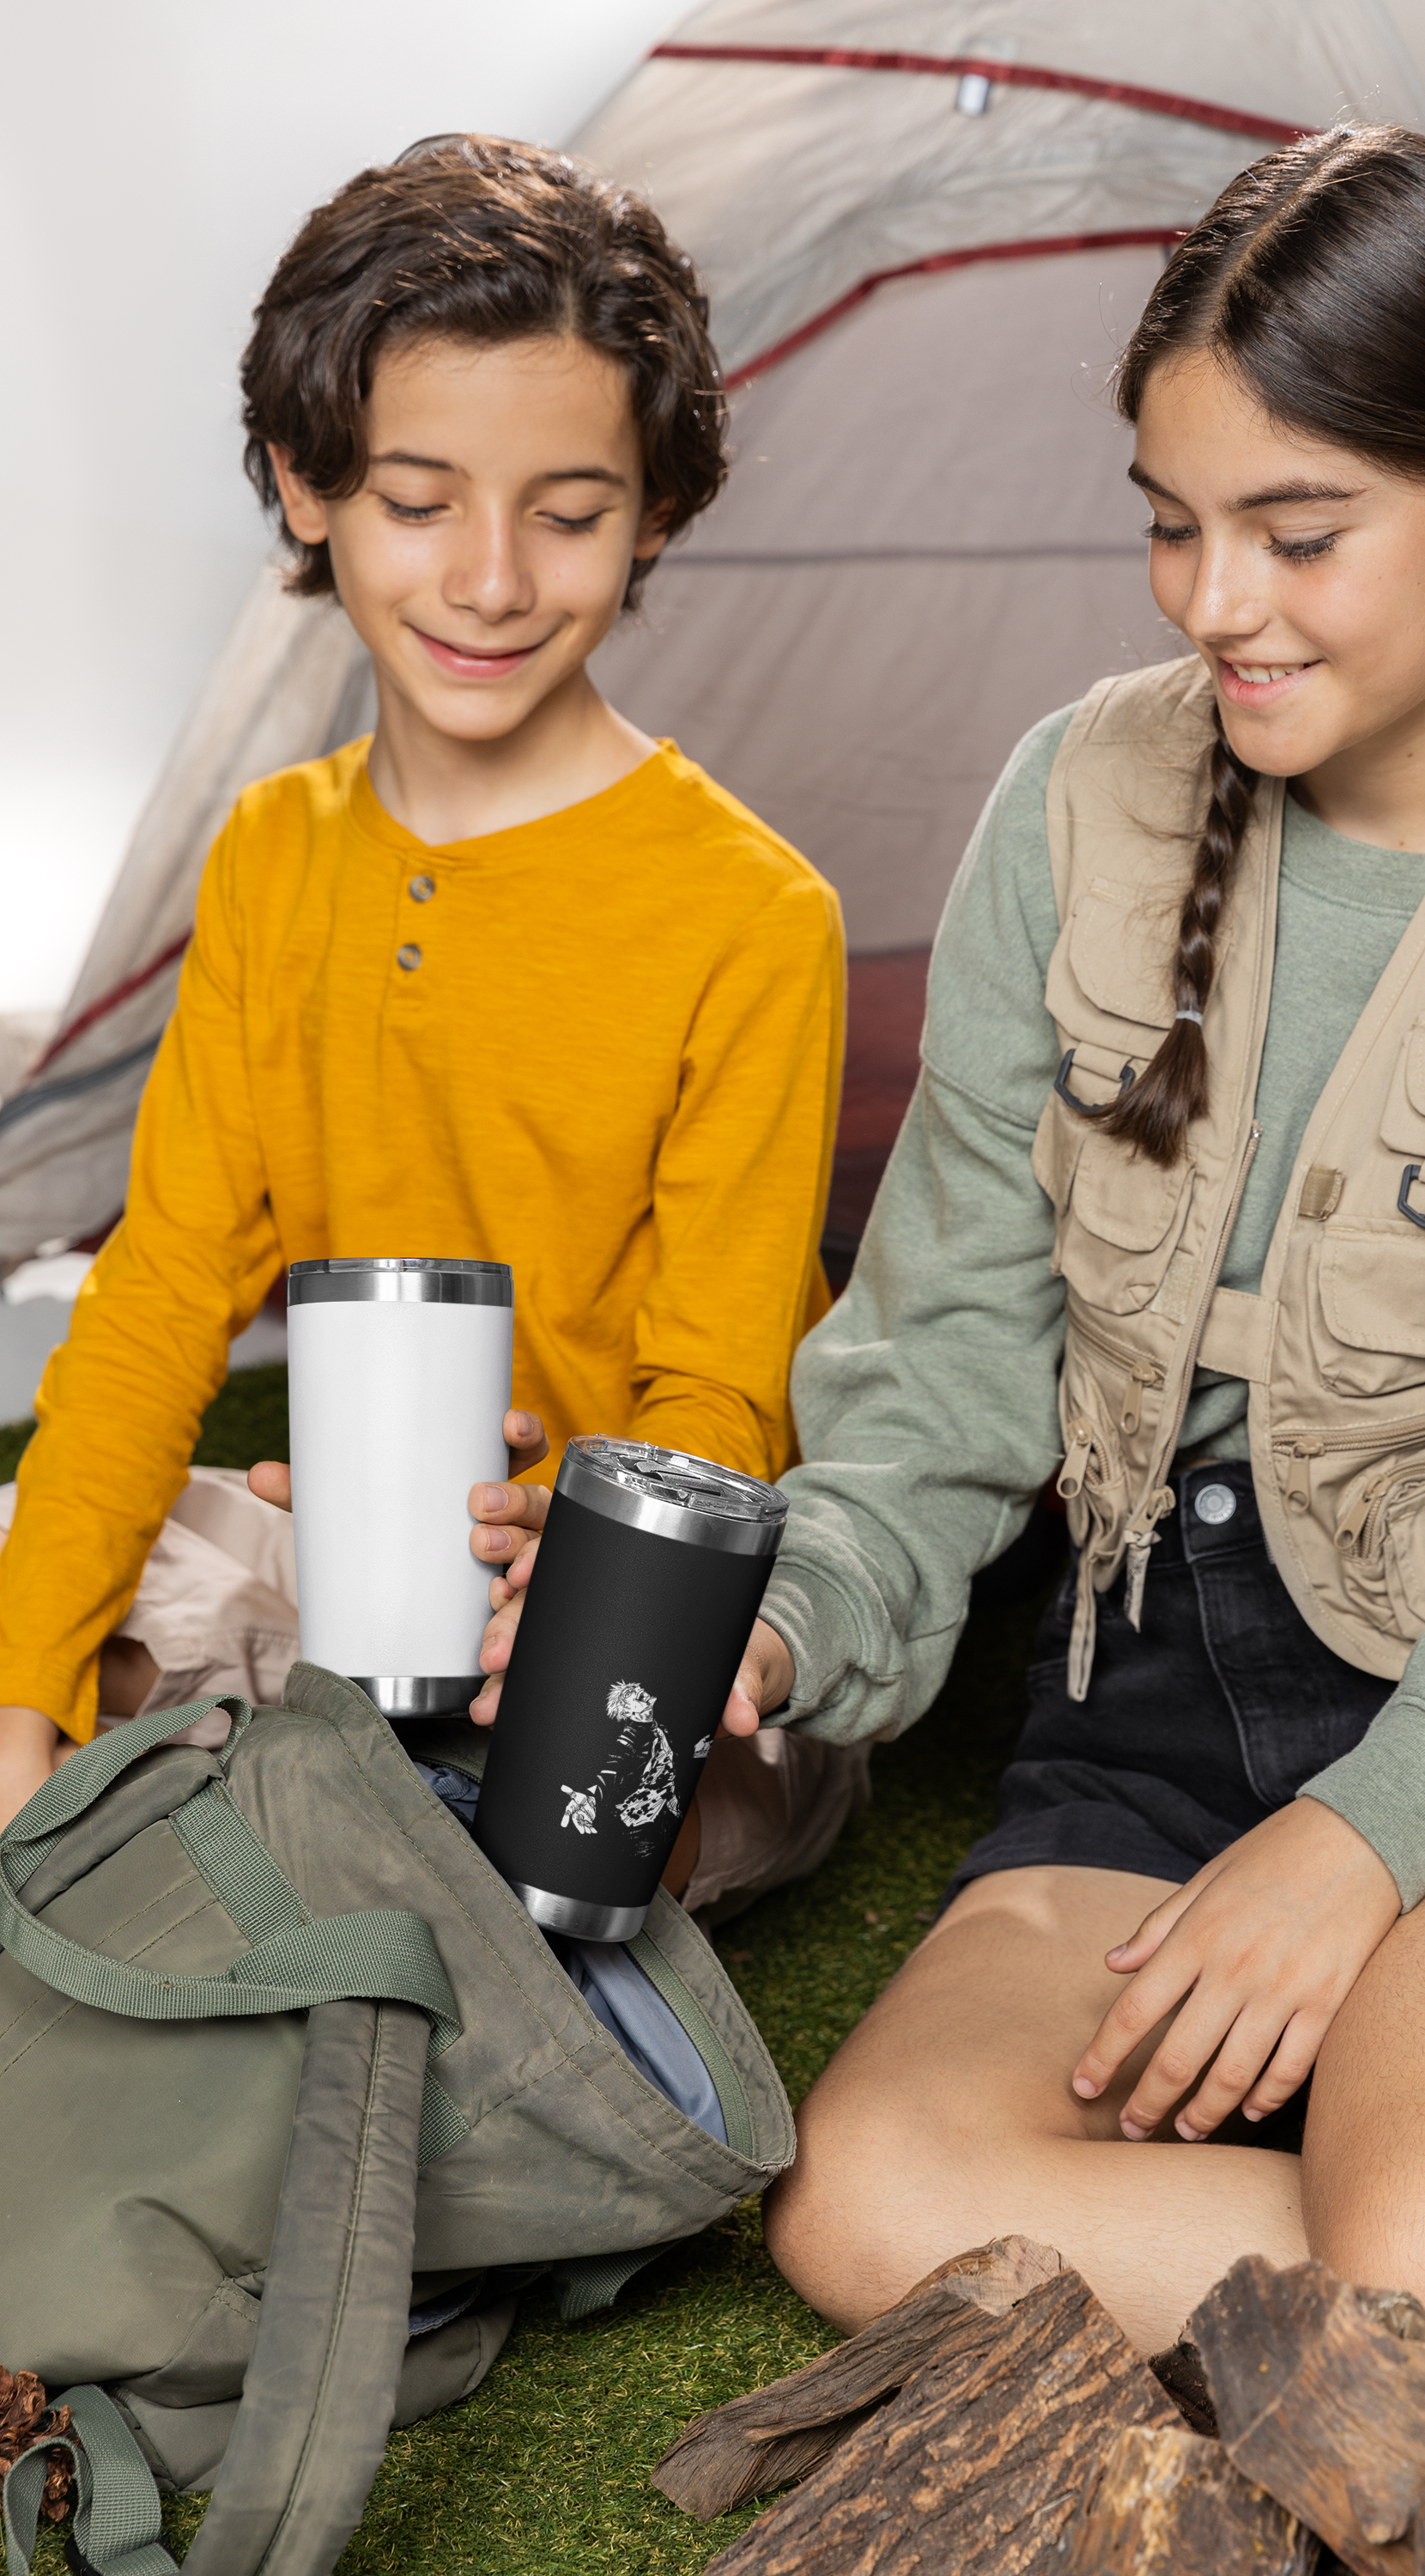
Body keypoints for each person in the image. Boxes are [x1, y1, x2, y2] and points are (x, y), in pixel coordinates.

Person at [482, 123, 1425, 2410]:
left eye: (1299, 531)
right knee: (868, 2200)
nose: (1212, 602)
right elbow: (945, 1373)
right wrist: (786, 1615)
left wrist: (1371, 1838)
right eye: (1173, 523)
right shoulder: (1076, 803)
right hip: (1143, 1721)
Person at [0, 136, 866, 1918]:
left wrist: (582, 1560)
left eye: (566, 512)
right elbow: (165, 1291)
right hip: (346, 1559)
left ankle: (397, 1829)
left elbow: (718, 1395)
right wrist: (16, 1697)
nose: (490, 578)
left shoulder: (751, 914)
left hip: (636, 1589)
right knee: (41, 1586)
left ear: (653, 514)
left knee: (565, 1831)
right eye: (417, 499)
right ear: (302, 487)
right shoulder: (273, 855)